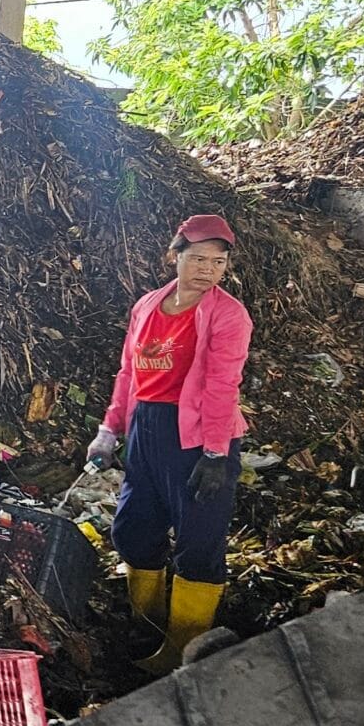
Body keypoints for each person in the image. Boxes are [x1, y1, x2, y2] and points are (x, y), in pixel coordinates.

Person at [87, 213, 252, 671]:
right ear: (174, 256)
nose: (208, 270)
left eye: (218, 262)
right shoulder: (147, 306)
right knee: (133, 530)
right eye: (197, 258)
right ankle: (148, 624)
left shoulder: (228, 315)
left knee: (198, 544)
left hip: (197, 437)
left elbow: (222, 385)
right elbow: (129, 372)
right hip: (147, 429)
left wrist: (216, 453)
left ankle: (185, 649)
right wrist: (109, 430)